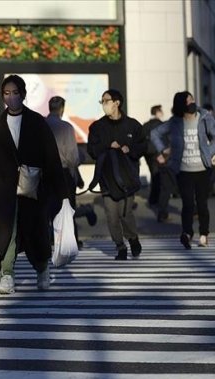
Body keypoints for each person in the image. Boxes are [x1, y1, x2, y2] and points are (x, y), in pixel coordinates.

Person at [0, 74, 68, 294]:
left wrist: (60, 188)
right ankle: (6, 274)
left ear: (24, 94)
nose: (11, 98)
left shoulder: (37, 122)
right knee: (7, 230)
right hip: (4, 188)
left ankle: (42, 269)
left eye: (15, 93)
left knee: (35, 230)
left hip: (33, 188)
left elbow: (51, 155)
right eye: (6, 94)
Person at [87, 89, 146, 260]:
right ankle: (120, 246)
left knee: (125, 214)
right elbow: (92, 149)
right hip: (107, 179)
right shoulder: (97, 127)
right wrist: (107, 145)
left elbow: (143, 146)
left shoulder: (133, 125)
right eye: (102, 101)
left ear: (116, 103)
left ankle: (133, 239)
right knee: (111, 216)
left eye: (106, 100)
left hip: (128, 179)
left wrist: (130, 149)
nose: (103, 104)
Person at [151, 91, 215, 248]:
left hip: (202, 169)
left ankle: (204, 234)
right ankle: (187, 233)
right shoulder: (175, 122)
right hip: (183, 170)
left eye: (192, 99)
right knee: (187, 204)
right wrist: (164, 150)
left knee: (202, 204)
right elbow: (154, 134)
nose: (192, 103)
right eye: (188, 101)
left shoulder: (205, 118)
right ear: (180, 105)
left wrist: (212, 152)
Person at [45, 96, 82, 247]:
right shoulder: (66, 127)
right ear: (62, 109)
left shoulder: (40, 125)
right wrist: (75, 173)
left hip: (44, 174)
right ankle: (69, 240)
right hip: (63, 172)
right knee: (67, 208)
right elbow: (72, 156)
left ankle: (48, 240)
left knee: (46, 208)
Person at [141, 105, 164, 208]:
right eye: (161, 111)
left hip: (147, 153)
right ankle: (155, 199)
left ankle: (154, 198)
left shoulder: (145, 125)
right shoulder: (160, 124)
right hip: (158, 153)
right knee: (157, 175)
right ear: (157, 112)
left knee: (154, 174)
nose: (162, 113)